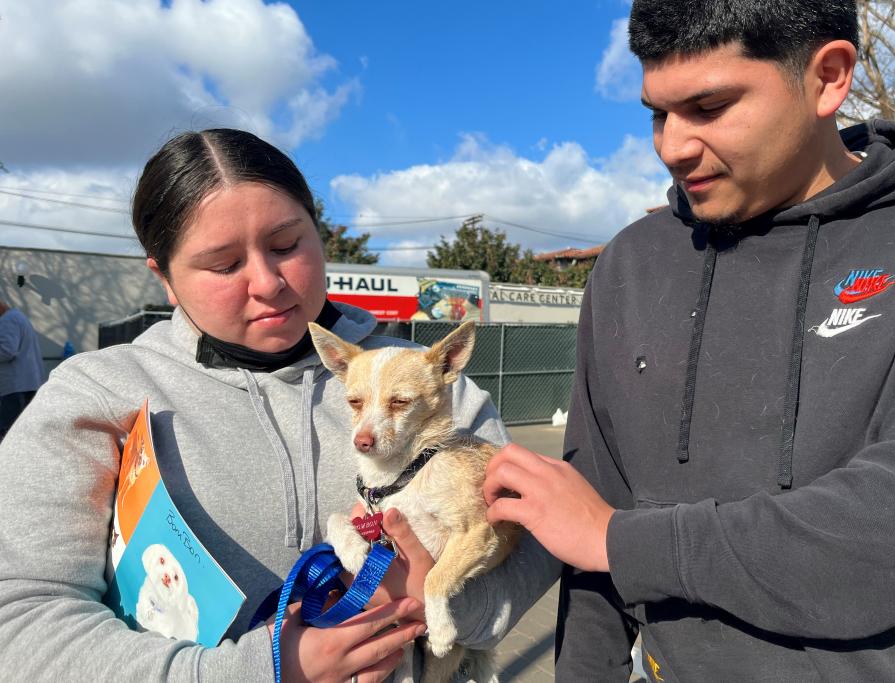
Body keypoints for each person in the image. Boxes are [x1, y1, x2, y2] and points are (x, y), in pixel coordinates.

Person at [483, 1, 895, 680]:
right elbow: (591, 511)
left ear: (828, 77)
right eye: (657, 114)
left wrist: (620, 539)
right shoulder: (633, 265)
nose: (672, 145)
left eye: (709, 106)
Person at [0, 129, 554, 682]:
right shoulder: (95, 394)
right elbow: (21, 621)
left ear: (320, 236)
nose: (267, 283)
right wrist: (263, 670)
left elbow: (530, 549)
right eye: (222, 264)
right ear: (164, 276)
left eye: (287, 245)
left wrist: (443, 605)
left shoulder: (432, 384)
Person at [0, 298, 45, 440]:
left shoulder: (7, 321)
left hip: (15, 388)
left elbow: (6, 351)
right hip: (26, 385)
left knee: (12, 435)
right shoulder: (17, 317)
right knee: (24, 434)